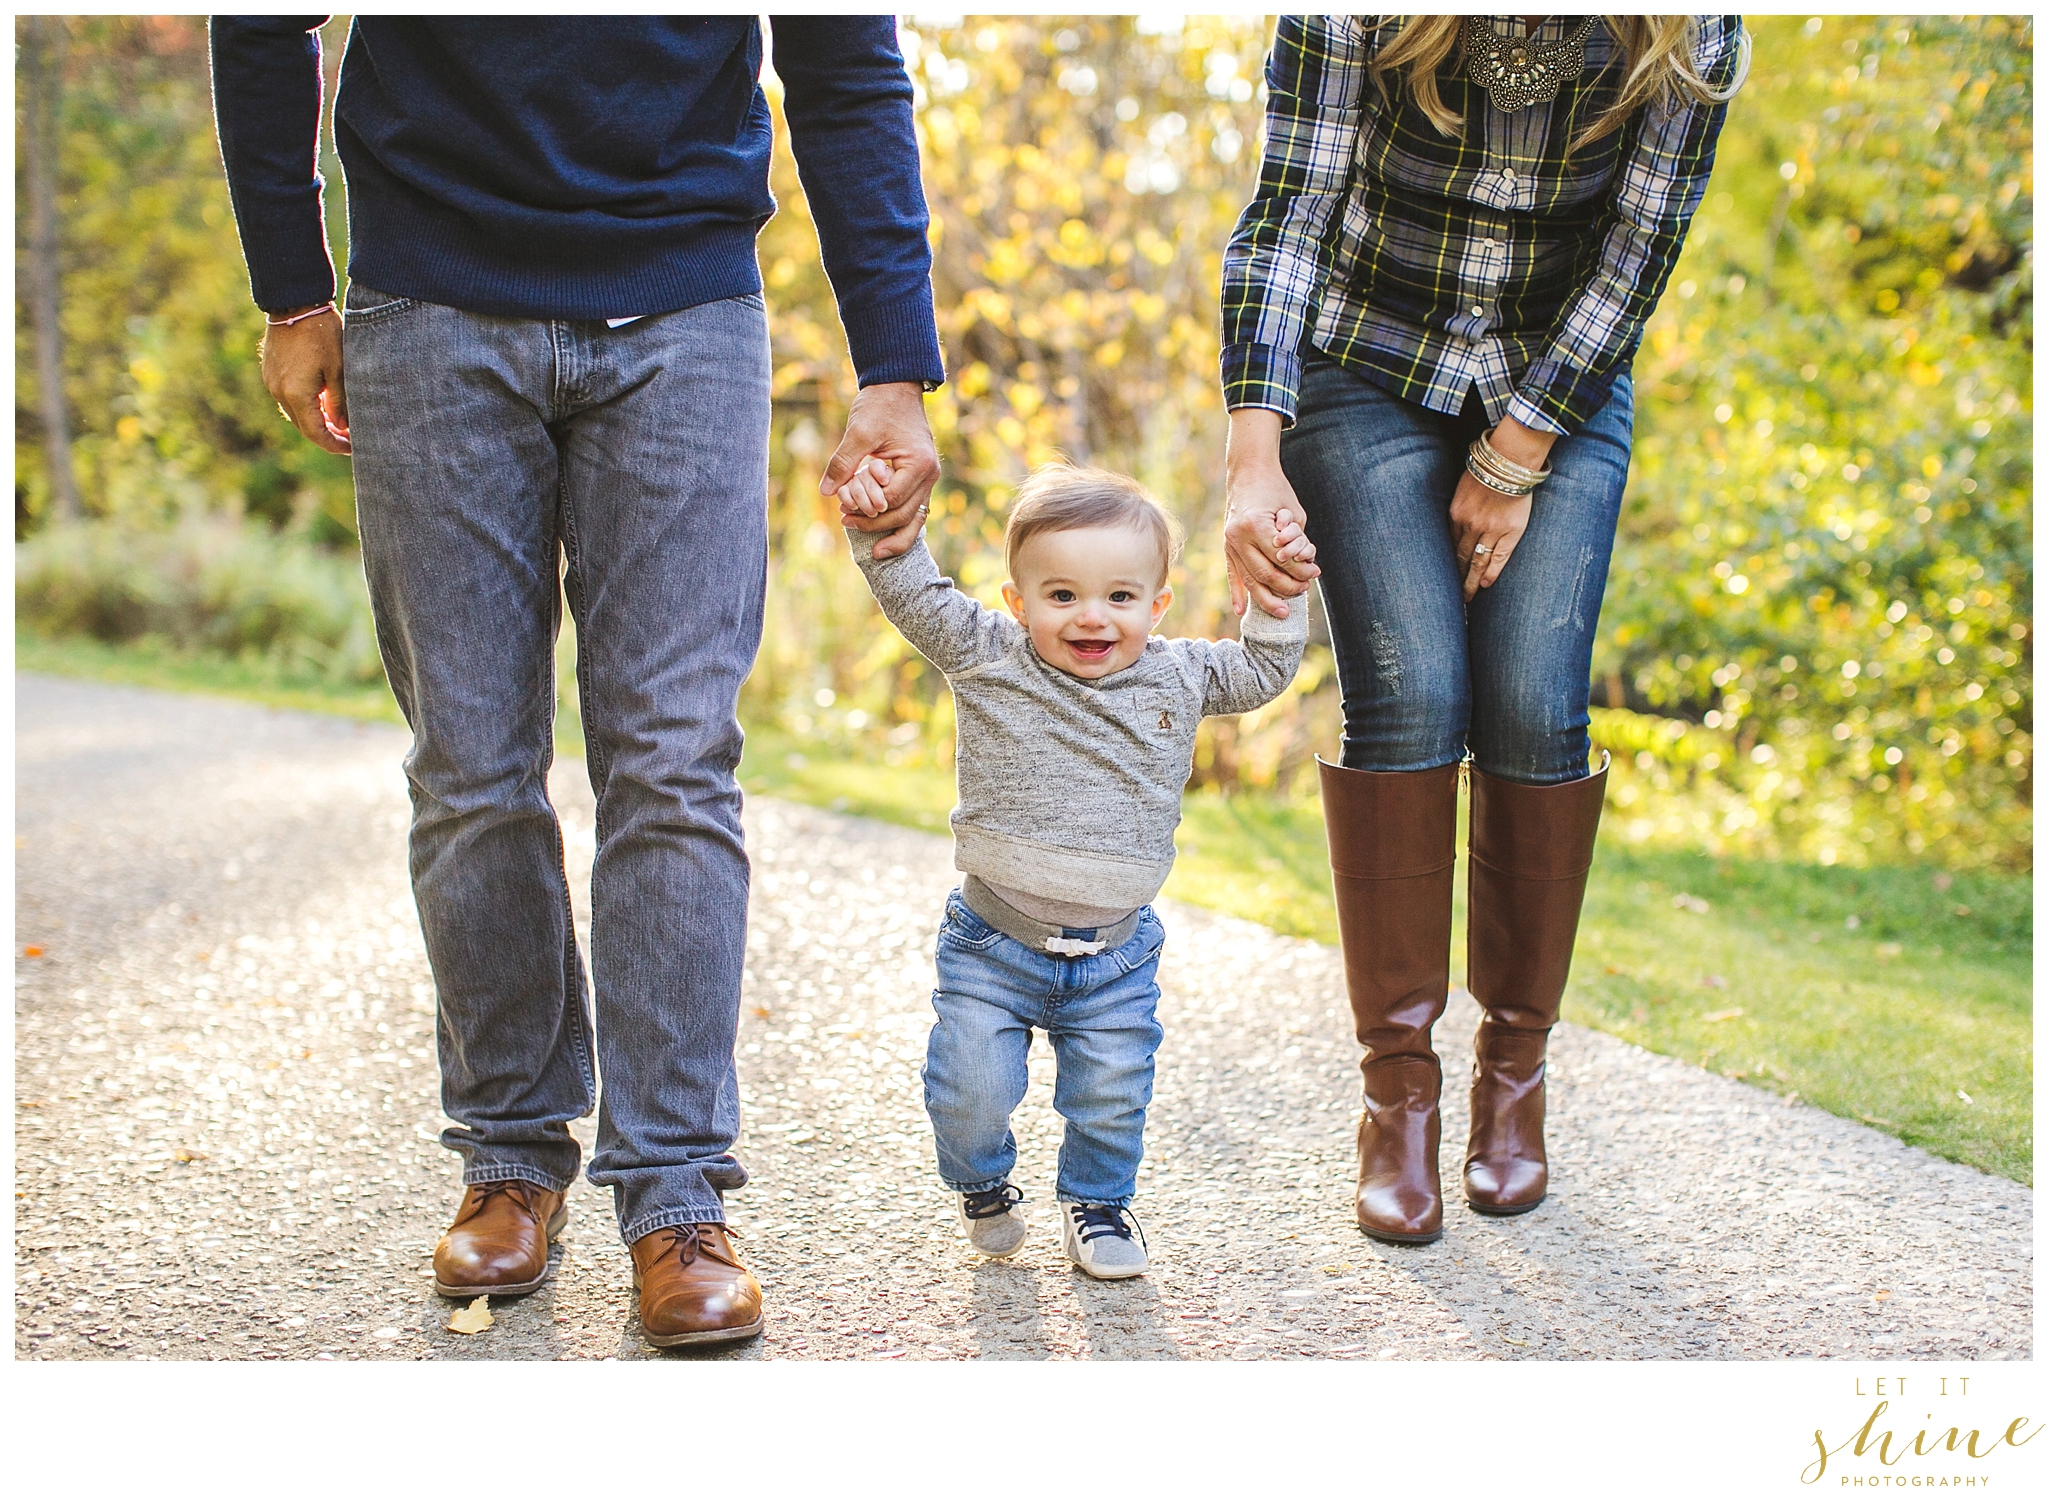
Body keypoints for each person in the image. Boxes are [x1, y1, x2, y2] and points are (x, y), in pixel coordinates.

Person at [208, 16, 945, 1346]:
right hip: (428, 296)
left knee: (672, 760)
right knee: (472, 765)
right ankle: (510, 1153)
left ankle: (674, 1191)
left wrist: (894, 359)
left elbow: (844, 63)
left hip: (685, 297)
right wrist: (289, 283)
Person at [1218, 16, 1747, 1244]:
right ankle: (1394, 1095)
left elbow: (1636, 254)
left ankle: (1513, 1076)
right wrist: (1253, 453)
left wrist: (1515, 451)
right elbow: (1287, 212)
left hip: (1558, 377)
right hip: (1363, 364)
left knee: (1529, 703)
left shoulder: (1690, 31)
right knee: (1407, 696)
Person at [836, 462, 1307, 1276]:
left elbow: (1264, 671)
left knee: (1112, 1097)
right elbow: (912, 593)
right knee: (968, 1092)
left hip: (1117, 956)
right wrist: (875, 521)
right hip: (993, 944)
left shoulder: (1181, 674)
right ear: (1019, 602)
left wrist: (1279, 592)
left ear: (1156, 605)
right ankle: (982, 1183)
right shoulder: (990, 654)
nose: (1093, 617)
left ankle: (1097, 1202)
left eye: (1120, 597)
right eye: (1061, 595)